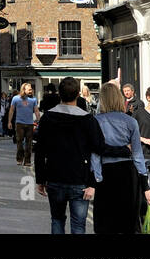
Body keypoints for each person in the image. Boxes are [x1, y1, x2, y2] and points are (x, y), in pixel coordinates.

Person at [33, 77, 131, 234]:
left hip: (54, 177)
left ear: (60, 94)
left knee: (57, 220)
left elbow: (40, 151)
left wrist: (40, 179)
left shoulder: (48, 118)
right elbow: (99, 148)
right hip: (80, 179)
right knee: (78, 225)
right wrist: (125, 150)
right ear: (78, 94)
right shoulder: (87, 119)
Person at [91, 82, 150, 234]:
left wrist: (96, 178)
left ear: (102, 100)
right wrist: (145, 186)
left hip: (105, 172)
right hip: (127, 172)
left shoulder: (95, 122)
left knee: (104, 220)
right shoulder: (130, 121)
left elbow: (94, 154)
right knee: (128, 219)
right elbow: (138, 156)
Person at [9, 83, 39, 166]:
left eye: (31, 89)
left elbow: (36, 110)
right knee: (19, 142)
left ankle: (27, 161)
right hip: (19, 123)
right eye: (29, 89)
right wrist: (9, 121)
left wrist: (38, 120)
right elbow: (11, 110)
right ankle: (19, 158)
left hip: (30, 124)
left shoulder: (33, 99)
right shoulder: (16, 98)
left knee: (29, 143)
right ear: (24, 90)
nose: (31, 90)